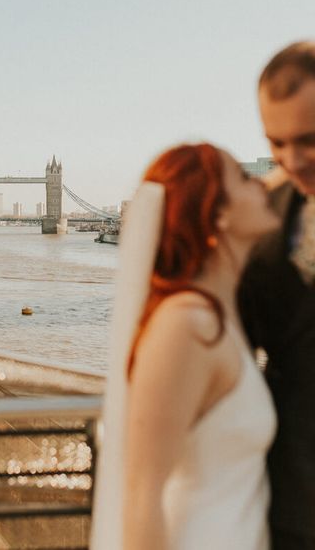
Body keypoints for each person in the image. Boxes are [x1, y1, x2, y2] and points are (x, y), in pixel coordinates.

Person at [92, 143, 280, 550]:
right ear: (219, 213)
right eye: (246, 178)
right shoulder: (186, 326)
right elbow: (143, 494)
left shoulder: (222, 320)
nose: (264, 185)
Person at [239, 41, 315, 550]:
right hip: (290, 504)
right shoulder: (264, 217)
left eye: (307, 140)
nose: (291, 160)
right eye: (276, 141)